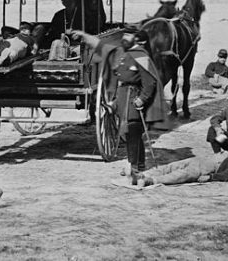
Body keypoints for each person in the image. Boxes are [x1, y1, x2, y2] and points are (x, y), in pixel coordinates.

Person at [71, 27, 167, 182]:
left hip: (133, 96)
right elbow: (101, 46)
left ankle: (134, 167)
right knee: (132, 133)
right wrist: (84, 35)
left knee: (131, 131)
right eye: (125, 34)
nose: (125, 37)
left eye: (129, 35)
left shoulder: (141, 56)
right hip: (123, 96)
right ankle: (139, 164)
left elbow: (150, 82)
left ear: (136, 39)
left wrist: (142, 99)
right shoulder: (123, 52)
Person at [136, 141, 228, 187]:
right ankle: (142, 175)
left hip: (204, 169)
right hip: (197, 160)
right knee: (171, 166)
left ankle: (151, 180)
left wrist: (210, 177)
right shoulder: (226, 151)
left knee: (181, 174)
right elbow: (215, 139)